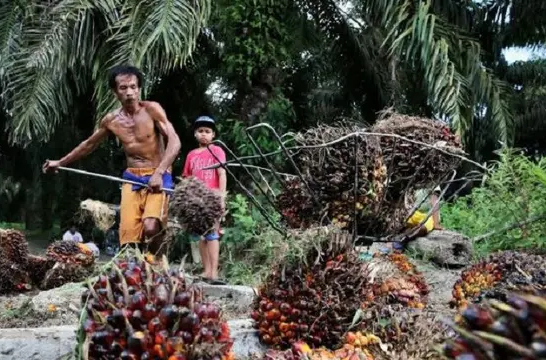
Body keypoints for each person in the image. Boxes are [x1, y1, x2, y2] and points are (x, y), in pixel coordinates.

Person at [42, 65, 181, 255]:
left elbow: (175, 141)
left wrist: (159, 173)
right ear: (115, 92)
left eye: (133, 87)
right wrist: (60, 162)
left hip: (158, 174)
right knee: (129, 238)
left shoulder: (152, 110)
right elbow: (88, 145)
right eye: (123, 88)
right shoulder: (112, 120)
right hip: (132, 178)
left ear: (139, 88)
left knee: (151, 226)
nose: (130, 92)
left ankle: (157, 262)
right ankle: (137, 270)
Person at [182, 116, 227, 283]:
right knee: (200, 236)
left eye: (207, 132)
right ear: (195, 134)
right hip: (196, 201)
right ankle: (206, 271)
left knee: (212, 234)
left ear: (213, 135)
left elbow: (222, 174)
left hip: (212, 199)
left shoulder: (217, 150)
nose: (204, 135)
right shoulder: (191, 155)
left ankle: (214, 273)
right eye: (200, 131)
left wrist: (221, 197)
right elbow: (187, 178)